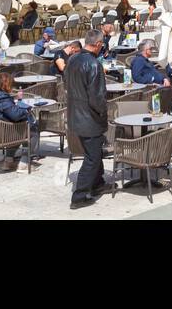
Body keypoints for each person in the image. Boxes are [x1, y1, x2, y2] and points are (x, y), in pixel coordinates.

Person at [67, 29, 110, 209]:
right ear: (98, 44)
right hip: (89, 119)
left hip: (75, 116)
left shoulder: (72, 60)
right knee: (92, 157)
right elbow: (97, 97)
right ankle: (80, 195)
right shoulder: (93, 64)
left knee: (94, 152)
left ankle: (98, 183)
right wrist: (103, 113)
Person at [0, 72, 38, 168]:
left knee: (14, 126)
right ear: (7, 85)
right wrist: (27, 110)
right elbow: (16, 115)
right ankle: (24, 163)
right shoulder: (2, 98)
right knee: (32, 129)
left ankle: (8, 161)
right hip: (1, 135)